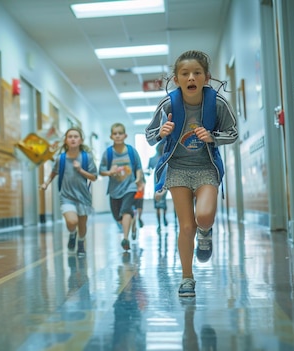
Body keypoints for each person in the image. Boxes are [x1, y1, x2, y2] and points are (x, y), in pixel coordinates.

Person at [145, 50, 238, 297]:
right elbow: (149, 135)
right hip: (177, 169)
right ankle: (187, 278)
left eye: (197, 73)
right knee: (186, 227)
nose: (191, 78)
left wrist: (213, 136)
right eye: (184, 73)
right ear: (176, 79)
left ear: (206, 77)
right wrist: (162, 132)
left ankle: (206, 233)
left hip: (206, 167)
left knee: (204, 217)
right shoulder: (168, 105)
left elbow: (233, 133)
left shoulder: (217, 103)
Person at [40, 127, 98, 256]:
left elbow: (94, 177)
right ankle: (72, 234)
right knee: (72, 222)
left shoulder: (86, 157)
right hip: (67, 196)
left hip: (83, 197)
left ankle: (81, 243)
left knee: (82, 225)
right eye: (70, 136)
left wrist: (80, 170)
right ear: (65, 140)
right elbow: (54, 172)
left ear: (81, 140)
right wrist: (46, 184)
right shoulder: (60, 158)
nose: (73, 139)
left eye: (76, 136)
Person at [99, 123, 144, 251]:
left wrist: (137, 179)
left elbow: (139, 167)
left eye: (120, 133)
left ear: (125, 135)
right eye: (115, 134)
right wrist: (110, 172)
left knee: (126, 210)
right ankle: (132, 221)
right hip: (114, 189)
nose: (118, 136)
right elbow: (101, 171)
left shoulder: (131, 151)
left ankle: (125, 238)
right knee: (117, 217)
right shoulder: (108, 153)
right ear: (111, 136)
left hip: (130, 187)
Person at [148, 143, 169, 232]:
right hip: (163, 182)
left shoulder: (155, 159)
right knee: (162, 202)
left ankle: (159, 223)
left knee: (158, 203)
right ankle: (162, 219)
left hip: (158, 183)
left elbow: (148, 170)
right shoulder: (166, 158)